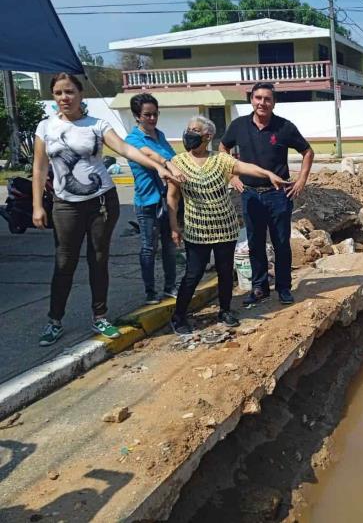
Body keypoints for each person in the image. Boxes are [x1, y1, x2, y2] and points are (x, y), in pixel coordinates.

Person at [32, 73, 183, 347]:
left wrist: (158, 165)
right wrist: (37, 206)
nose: (64, 97)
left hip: (101, 201)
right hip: (65, 204)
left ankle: (100, 315)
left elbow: (126, 148)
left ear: (80, 94)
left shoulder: (97, 125)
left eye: (69, 92)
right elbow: (40, 167)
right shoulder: (45, 127)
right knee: (64, 262)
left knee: (98, 260)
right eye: (58, 93)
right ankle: (54, 320)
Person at [167, 116, 288, 336]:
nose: (189, 134)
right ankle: (179, 316)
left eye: (194, 130)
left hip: (225, 228)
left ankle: (224, 310)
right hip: (197, 231)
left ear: (207, 136)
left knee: (225, 272)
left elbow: (244, 167)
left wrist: (269, 174)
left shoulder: (220, 159)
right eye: (188, 129)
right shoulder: (177, 162)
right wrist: (174, 226)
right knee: (193, 274)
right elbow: (173, 197)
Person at [219, 82, 314, 306]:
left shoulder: (284, 127)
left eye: (267, 99)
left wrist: (301, 180)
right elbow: (223, 148)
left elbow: (307, 151)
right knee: (255, 242)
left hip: (278, 195)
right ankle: (259, 287)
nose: (262, 103)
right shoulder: (239, 126)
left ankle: (283, 288)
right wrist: (231, 177)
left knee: (281, 243)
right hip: (250, 194)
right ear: (251, 99)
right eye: (258, 98)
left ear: (274, 103)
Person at [125, 93, 183, 305]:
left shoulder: (160, 134)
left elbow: (171, 157)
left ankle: (170, 286)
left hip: (169, 201)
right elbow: (151, 156)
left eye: (155, 114)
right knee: (149, 247)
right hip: (148, 202)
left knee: (169, 244)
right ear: (137, 116)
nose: (152, 119)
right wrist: (168, 164)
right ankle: (150, 291)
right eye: (147, 115)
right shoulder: (133, 139)